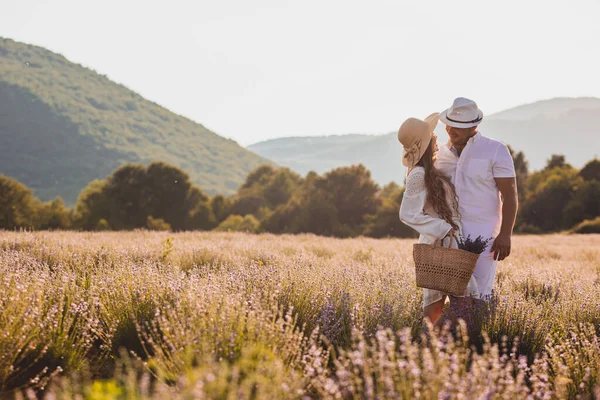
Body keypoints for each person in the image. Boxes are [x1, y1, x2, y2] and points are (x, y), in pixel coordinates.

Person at [398, 113, 479, 326]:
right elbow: (407, 213)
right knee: (439, 306)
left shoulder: (431, 170)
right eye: (432, 136)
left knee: (464, 303)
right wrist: (442, 228)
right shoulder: (418, 174)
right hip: (439, 243)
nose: (436, 138)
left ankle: (446, 344)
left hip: (451, 243)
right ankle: (428, 345)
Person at [436, 97, 518, 302]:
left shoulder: (495, 150)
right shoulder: (439, 154)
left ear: (474, 126)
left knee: (480, 295)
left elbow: (510, 195)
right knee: (453, 295)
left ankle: (481, 332)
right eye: (449, 125)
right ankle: (457, 333)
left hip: (484, 237)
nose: (451, 130)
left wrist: (505, 234)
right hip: (448, 236)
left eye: (458, 126)